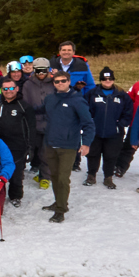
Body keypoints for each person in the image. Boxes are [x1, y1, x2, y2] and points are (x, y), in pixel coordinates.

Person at [40, 70, 95, 223]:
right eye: (56, 82)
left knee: (63, 179)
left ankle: (61, 210)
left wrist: (86, 143)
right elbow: (41, 111)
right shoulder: (50, 98)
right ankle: (59, 201)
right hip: (51, 144)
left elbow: (88, 123)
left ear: (69, 81)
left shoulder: (77, 100)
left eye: (63, 81)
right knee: (55, 176)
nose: (60, 84)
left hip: (68, 146)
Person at [84, 67, 132, 188]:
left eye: (110, 78)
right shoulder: (92, 93)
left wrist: (120, 124)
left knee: (111, 155)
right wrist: (89, 124)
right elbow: (85, 110)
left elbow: (128, 112)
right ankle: (91, 175)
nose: (107, 81)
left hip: (114, 133)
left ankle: (108, 177)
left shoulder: (121, 95)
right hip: (95, 131)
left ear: (113, 79)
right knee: (93, 154)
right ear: (100, 80)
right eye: (104, 79)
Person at [0, 79, 31, 207]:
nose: (8, 91)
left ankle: (15, 196)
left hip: (18, 145)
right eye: (5, 89)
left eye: (11, 88)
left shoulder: (24, 106)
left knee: (16, 172)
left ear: (17, 89)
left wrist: (30, 147)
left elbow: (31, 128)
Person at [21, 57, 55, 188]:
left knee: (45, 151)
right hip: (34, 122)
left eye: (44, 70)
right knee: (32, 149)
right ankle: (34, 172)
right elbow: (26, 103)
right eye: (38, 70)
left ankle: (45, 176)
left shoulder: (53, 82)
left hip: (50, 123)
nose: (41, 73)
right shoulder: (28, 84)